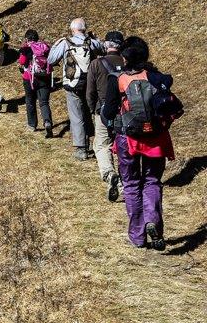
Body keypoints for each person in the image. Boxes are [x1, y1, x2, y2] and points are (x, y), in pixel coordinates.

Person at [100, 36, 180, 250]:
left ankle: (137, 235)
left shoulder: (116, 79)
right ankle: (153, 220)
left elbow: (107, 113)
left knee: (132, 185)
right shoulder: (155, 77)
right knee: (152, 181)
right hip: (156, 138)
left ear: (125, 58)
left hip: (128, 139)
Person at [48, 18, 103, 161]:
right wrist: (95, 38)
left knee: (76, 115)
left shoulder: (66, 43)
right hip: (91, 83)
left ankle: (81, 149)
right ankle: (97, 142)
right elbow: (103, 49)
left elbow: (51, 60)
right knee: (89, 112)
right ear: (84, 29)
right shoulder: (91, 42)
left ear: (72, 30)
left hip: (73, 83)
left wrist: (54, 46)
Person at [87, 30, 125, 202]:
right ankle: (126, 181)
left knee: (102, 145)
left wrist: (92, 108)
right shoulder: (127, 62)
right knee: (122, 146)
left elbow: (90, 92)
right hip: (125, 112)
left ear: (106, 44)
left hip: (102, 111)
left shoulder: (96, 63)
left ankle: (109, 174)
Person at [17, 29, 53, 138]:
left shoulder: (27, 48)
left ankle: (32, 125)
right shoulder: (45, 47)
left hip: (30, 78)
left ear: (27, 38)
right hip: (45, 77)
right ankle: (47, 122)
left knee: (30, 101)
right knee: (44, 102)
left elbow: (22, 62)